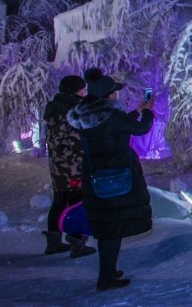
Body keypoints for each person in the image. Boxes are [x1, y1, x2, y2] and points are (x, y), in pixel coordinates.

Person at [68, 75, 154, 291]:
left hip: (95, 178)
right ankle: (105, 278)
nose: (117, 94)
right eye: (114, 91)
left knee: (107, 226)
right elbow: (140, 129)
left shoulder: (87, 115)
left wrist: (136, 111)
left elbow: (113, 126)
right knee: (113, 228)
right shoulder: (113, 117)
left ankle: (109, 270)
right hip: (117, 178)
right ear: (108, 95)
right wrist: (148, 112)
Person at [41, 75, 96, 258]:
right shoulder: (75, 110)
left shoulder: (53, 108)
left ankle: (54, 242)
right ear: (75, 90)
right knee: (77, 204)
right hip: (74, 166)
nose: (85, 92)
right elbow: (78, 140)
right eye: (82, 89)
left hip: (57, 165)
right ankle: (77, 244)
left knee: (59, 201)